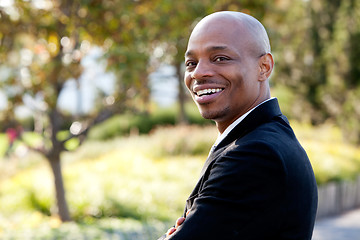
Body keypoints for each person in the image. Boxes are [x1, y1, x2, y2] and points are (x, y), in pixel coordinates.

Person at [158, 11, 318, 240]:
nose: (198, 72)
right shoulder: (266, 137)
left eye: (220, 58)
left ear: (264, 67)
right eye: (191, 63)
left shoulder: (255, 154)